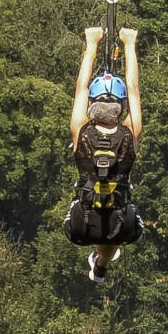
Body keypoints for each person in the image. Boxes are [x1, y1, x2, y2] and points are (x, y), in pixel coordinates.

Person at [63, 26, 143, 283]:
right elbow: (133, 88)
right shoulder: (130, 133)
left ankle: (101, 261)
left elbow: (80, 87)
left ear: (92, 105)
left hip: (79, 228)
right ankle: (103, 263)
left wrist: (92, 45)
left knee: (102, 212)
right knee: (117, 215)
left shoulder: (81, 130)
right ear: (119, 108)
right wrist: (129, 45)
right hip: (121, 226)